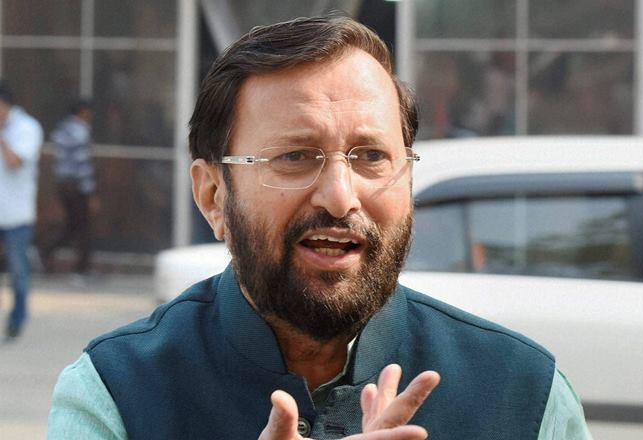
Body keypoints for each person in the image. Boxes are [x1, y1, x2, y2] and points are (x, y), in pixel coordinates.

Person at [47, 16, 592, 439]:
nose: (339, 197)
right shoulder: (117, 393)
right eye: (296, 156)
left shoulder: (523, 392)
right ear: (213, 195)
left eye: (371, 156)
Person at [0, 82, 43, 339]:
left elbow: (14, 162)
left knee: (18, 270)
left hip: (17, 214)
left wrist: (3, 137)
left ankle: (17, 318)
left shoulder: (27, 128)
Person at [41, 100, 96, 275]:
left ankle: (47, 251)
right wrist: (90, 192)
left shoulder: (63, 129)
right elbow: (82, 164)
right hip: (77, 186)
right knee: (83, 227)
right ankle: (82, 268)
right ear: (82, 112)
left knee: (73, 225)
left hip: (64, 184)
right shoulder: (80, 131)